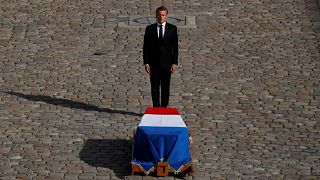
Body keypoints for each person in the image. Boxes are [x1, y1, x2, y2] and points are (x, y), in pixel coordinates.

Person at [143, 6, 178, 107]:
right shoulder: (150, 29)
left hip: (167, 63)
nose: (161, 17)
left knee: (165, 87)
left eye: (163, 15)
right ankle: (156, 108)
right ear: (156, 16)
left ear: (166, 16)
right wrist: (146, 62)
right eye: (159, 15)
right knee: (154, 87)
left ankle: (164, 108)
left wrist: (174, 62)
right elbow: (146, 47)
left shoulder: (172, 29)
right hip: (154, 63)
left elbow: (175, 47)